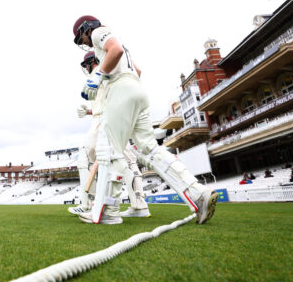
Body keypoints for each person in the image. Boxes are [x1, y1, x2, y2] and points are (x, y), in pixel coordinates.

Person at [72, 15, 218, 224]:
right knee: (150, 149)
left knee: (110, 150)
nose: (84, 43)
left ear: (87, 28)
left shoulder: (98, 32)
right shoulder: (118, 41)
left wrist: (99, 75)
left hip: (121, 89)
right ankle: (198, 193)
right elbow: (137, 70)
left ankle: (108, 212)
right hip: (137, 90)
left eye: (81, 38)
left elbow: (116, 51)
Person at [70, 51, 150, 219]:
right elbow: (137, 72)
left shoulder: (100, 70)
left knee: (87, 156)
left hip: (105, 119)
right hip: (113, 117)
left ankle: (89, 204)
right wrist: (89, 111)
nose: (86, 68)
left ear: (92, 61)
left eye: (86, 64)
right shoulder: (109, 70)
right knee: (127, 160)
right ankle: (139, 204)